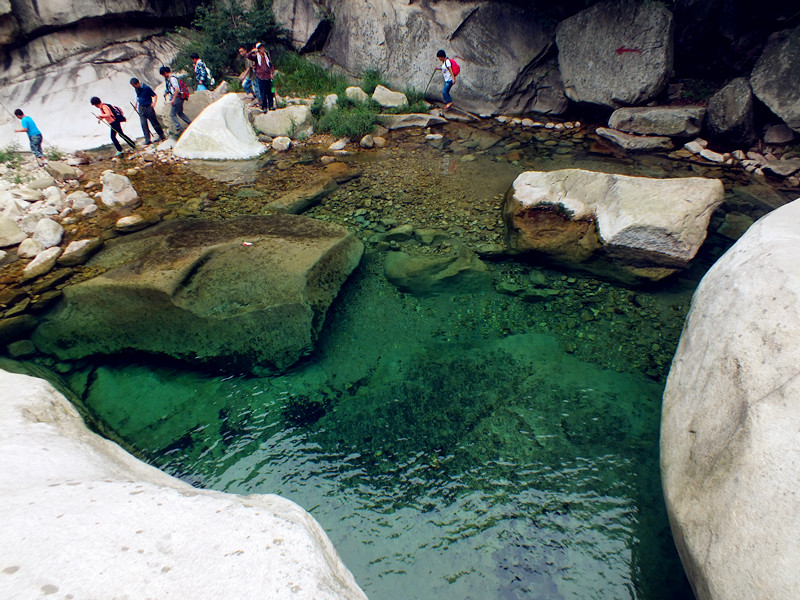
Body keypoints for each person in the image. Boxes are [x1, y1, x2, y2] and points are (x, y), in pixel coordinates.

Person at [130, 77, 166, 145]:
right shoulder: (136, 89)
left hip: (148, 107)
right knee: (143, 124)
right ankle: (147, 140)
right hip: (141, 108)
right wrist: (135, 105)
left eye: (134, 85)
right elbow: (138, 97)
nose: (134, 87)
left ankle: (162, 136)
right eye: (133, 86)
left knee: (154, 122)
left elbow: (154, 95)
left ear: (137, 83)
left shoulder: (146, 88)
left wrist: (154, 103)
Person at [159, 66, 192, 136]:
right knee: (180, 113)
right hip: (180, 97)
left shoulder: (172, 79)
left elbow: (176, 89)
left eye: (163, 74)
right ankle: (190, 123)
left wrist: (173, 99)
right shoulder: (170, 79)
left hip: (177, 97)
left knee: (172, 114)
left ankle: (178, 128)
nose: (163, 76)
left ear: (165, 73)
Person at [247, 43, 275, 112]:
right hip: (260, 76)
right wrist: (253, 51)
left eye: (263, 48)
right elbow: (248, 56)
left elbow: (271, 65)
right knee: (263, 92)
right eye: (261, 48)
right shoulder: (256, 57)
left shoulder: (267, 56)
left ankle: (271, 106)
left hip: (267, 76)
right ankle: (264, 107)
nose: (263, 49)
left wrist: (271, 73)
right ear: (258, 49)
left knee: (270, 92)